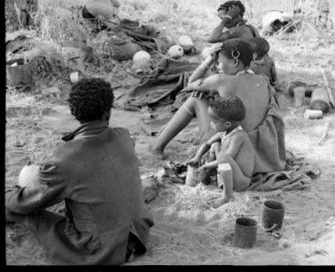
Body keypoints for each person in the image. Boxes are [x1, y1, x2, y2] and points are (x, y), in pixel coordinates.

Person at [5, 78, 154, 265]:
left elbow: (26, 202)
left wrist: (12, 195)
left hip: (104, 250)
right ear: (108, 111)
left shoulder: (64, 159)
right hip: (139, 234)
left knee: (31, 214)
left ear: (74, 113)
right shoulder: (124, 137)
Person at [149, 38, 286, 175]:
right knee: (211, 102)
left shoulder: (221, 80)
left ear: (235, 62)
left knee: (196, 98)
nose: (218, 66)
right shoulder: (263, 80)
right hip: (258, 150)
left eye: (220, 62)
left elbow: (190, 83)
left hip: (233, 149)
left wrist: (209, 60)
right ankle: (157, 147)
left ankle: (157, 148)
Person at [187, 95, 255, 207]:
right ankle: (206, 178)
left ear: (227, 124)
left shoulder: (239, 136)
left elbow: (226, 158)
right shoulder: (223, 133)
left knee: (223, 157)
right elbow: (207, 144)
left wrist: (206, 166)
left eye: (214, 122)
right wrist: (197, 157)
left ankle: (227, 196)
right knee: (214, 145)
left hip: (240, 181)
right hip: (227, 173)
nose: (211, 124)